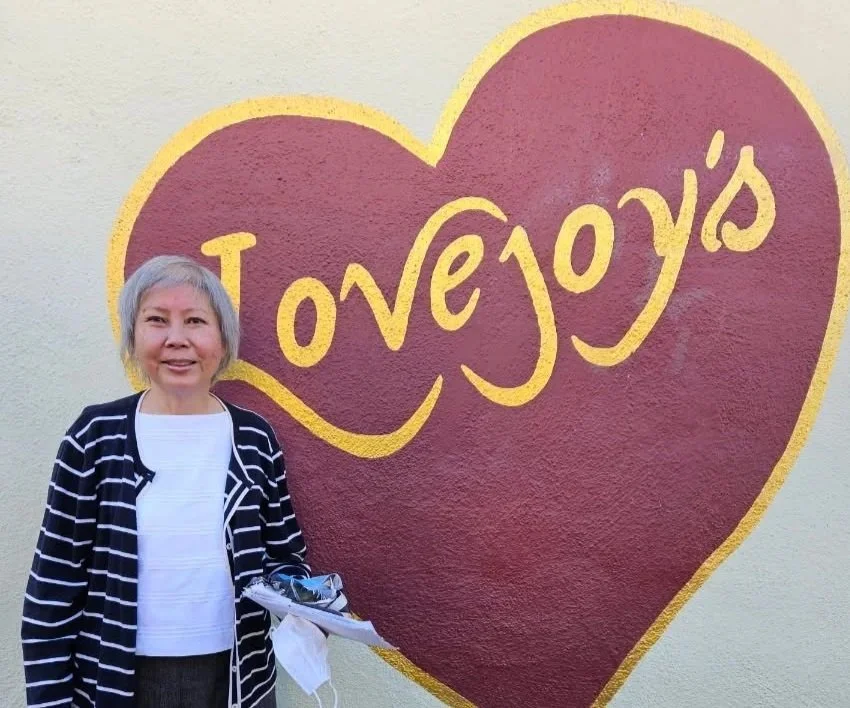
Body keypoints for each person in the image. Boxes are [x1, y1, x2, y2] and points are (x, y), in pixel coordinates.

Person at [22, 255, 309, 708]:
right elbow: (53, 583)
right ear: (133, 337)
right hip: (118, 679)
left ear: (223, 339)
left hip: (237, 678)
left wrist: (308, 601)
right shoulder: (95, 436)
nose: (177, 339)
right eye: (157, 320)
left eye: (195, 321)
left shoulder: (254, 437)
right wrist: (49, 699)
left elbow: (285, 554)